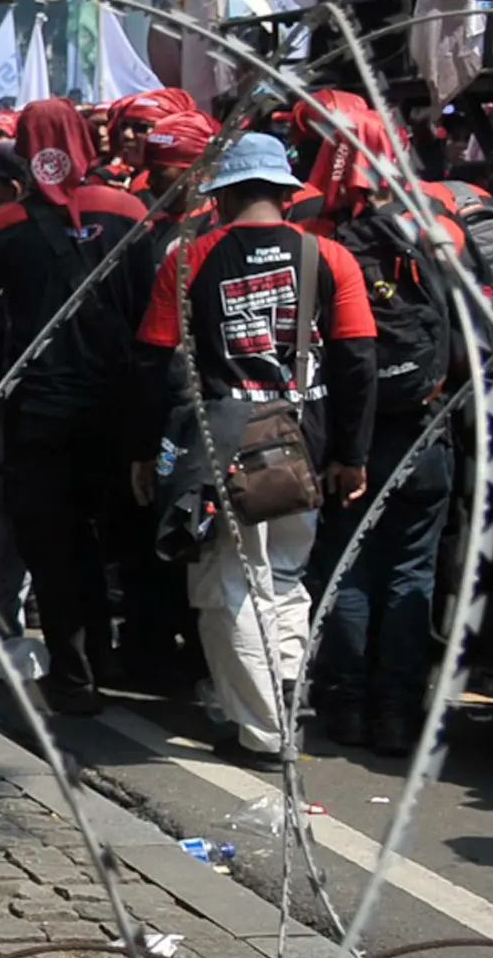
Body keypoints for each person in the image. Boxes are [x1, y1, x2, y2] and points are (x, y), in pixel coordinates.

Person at [131, 132, 378, 759]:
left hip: (225, 441)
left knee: (230, 587)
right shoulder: (330, 257)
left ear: (222, 194)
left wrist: (145, 451)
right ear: (286, 193)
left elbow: (154, 362)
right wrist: (353, 454)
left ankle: (264, 732)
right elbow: (357, 361)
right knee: (289, 575)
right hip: (308, 440)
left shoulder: (188, 259)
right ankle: (285, 688)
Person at [0, 98, 153, 712]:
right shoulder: (131, 212)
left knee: (53, 541)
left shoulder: (0, 226)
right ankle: (119, 655)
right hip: (118, 405)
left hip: (39, 406)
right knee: (111, 535)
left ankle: (73, 670)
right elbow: (152, 313)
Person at [290, 92, 472, 755]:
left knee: (346, 566)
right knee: (410, 571)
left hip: (344, 432)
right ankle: (396, 713)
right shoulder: (436, 218)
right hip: (428, 424)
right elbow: (471, 324)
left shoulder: (311, 229)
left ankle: (344, 708)